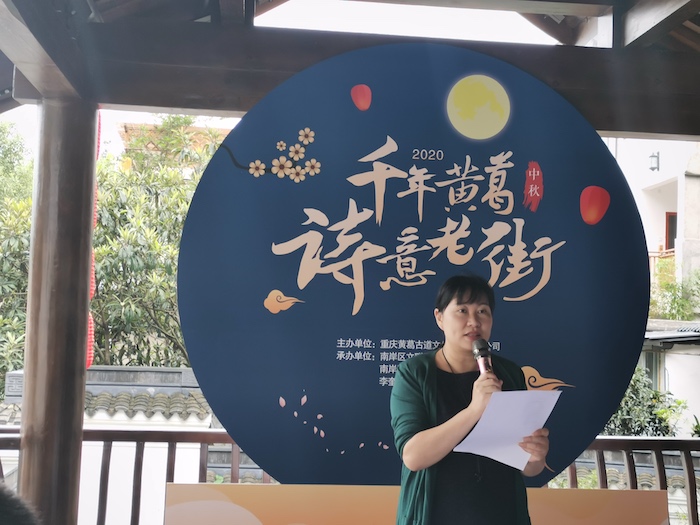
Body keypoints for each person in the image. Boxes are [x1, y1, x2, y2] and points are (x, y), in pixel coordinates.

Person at [390, 274, 549, 525]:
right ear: (439, 317)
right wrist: (475, 410)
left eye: (483, 311)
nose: (474, 321)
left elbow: (528, 468)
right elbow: (413, 457)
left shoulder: (509, 373)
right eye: (462, 310)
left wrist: (536, 456)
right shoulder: (414, 372)